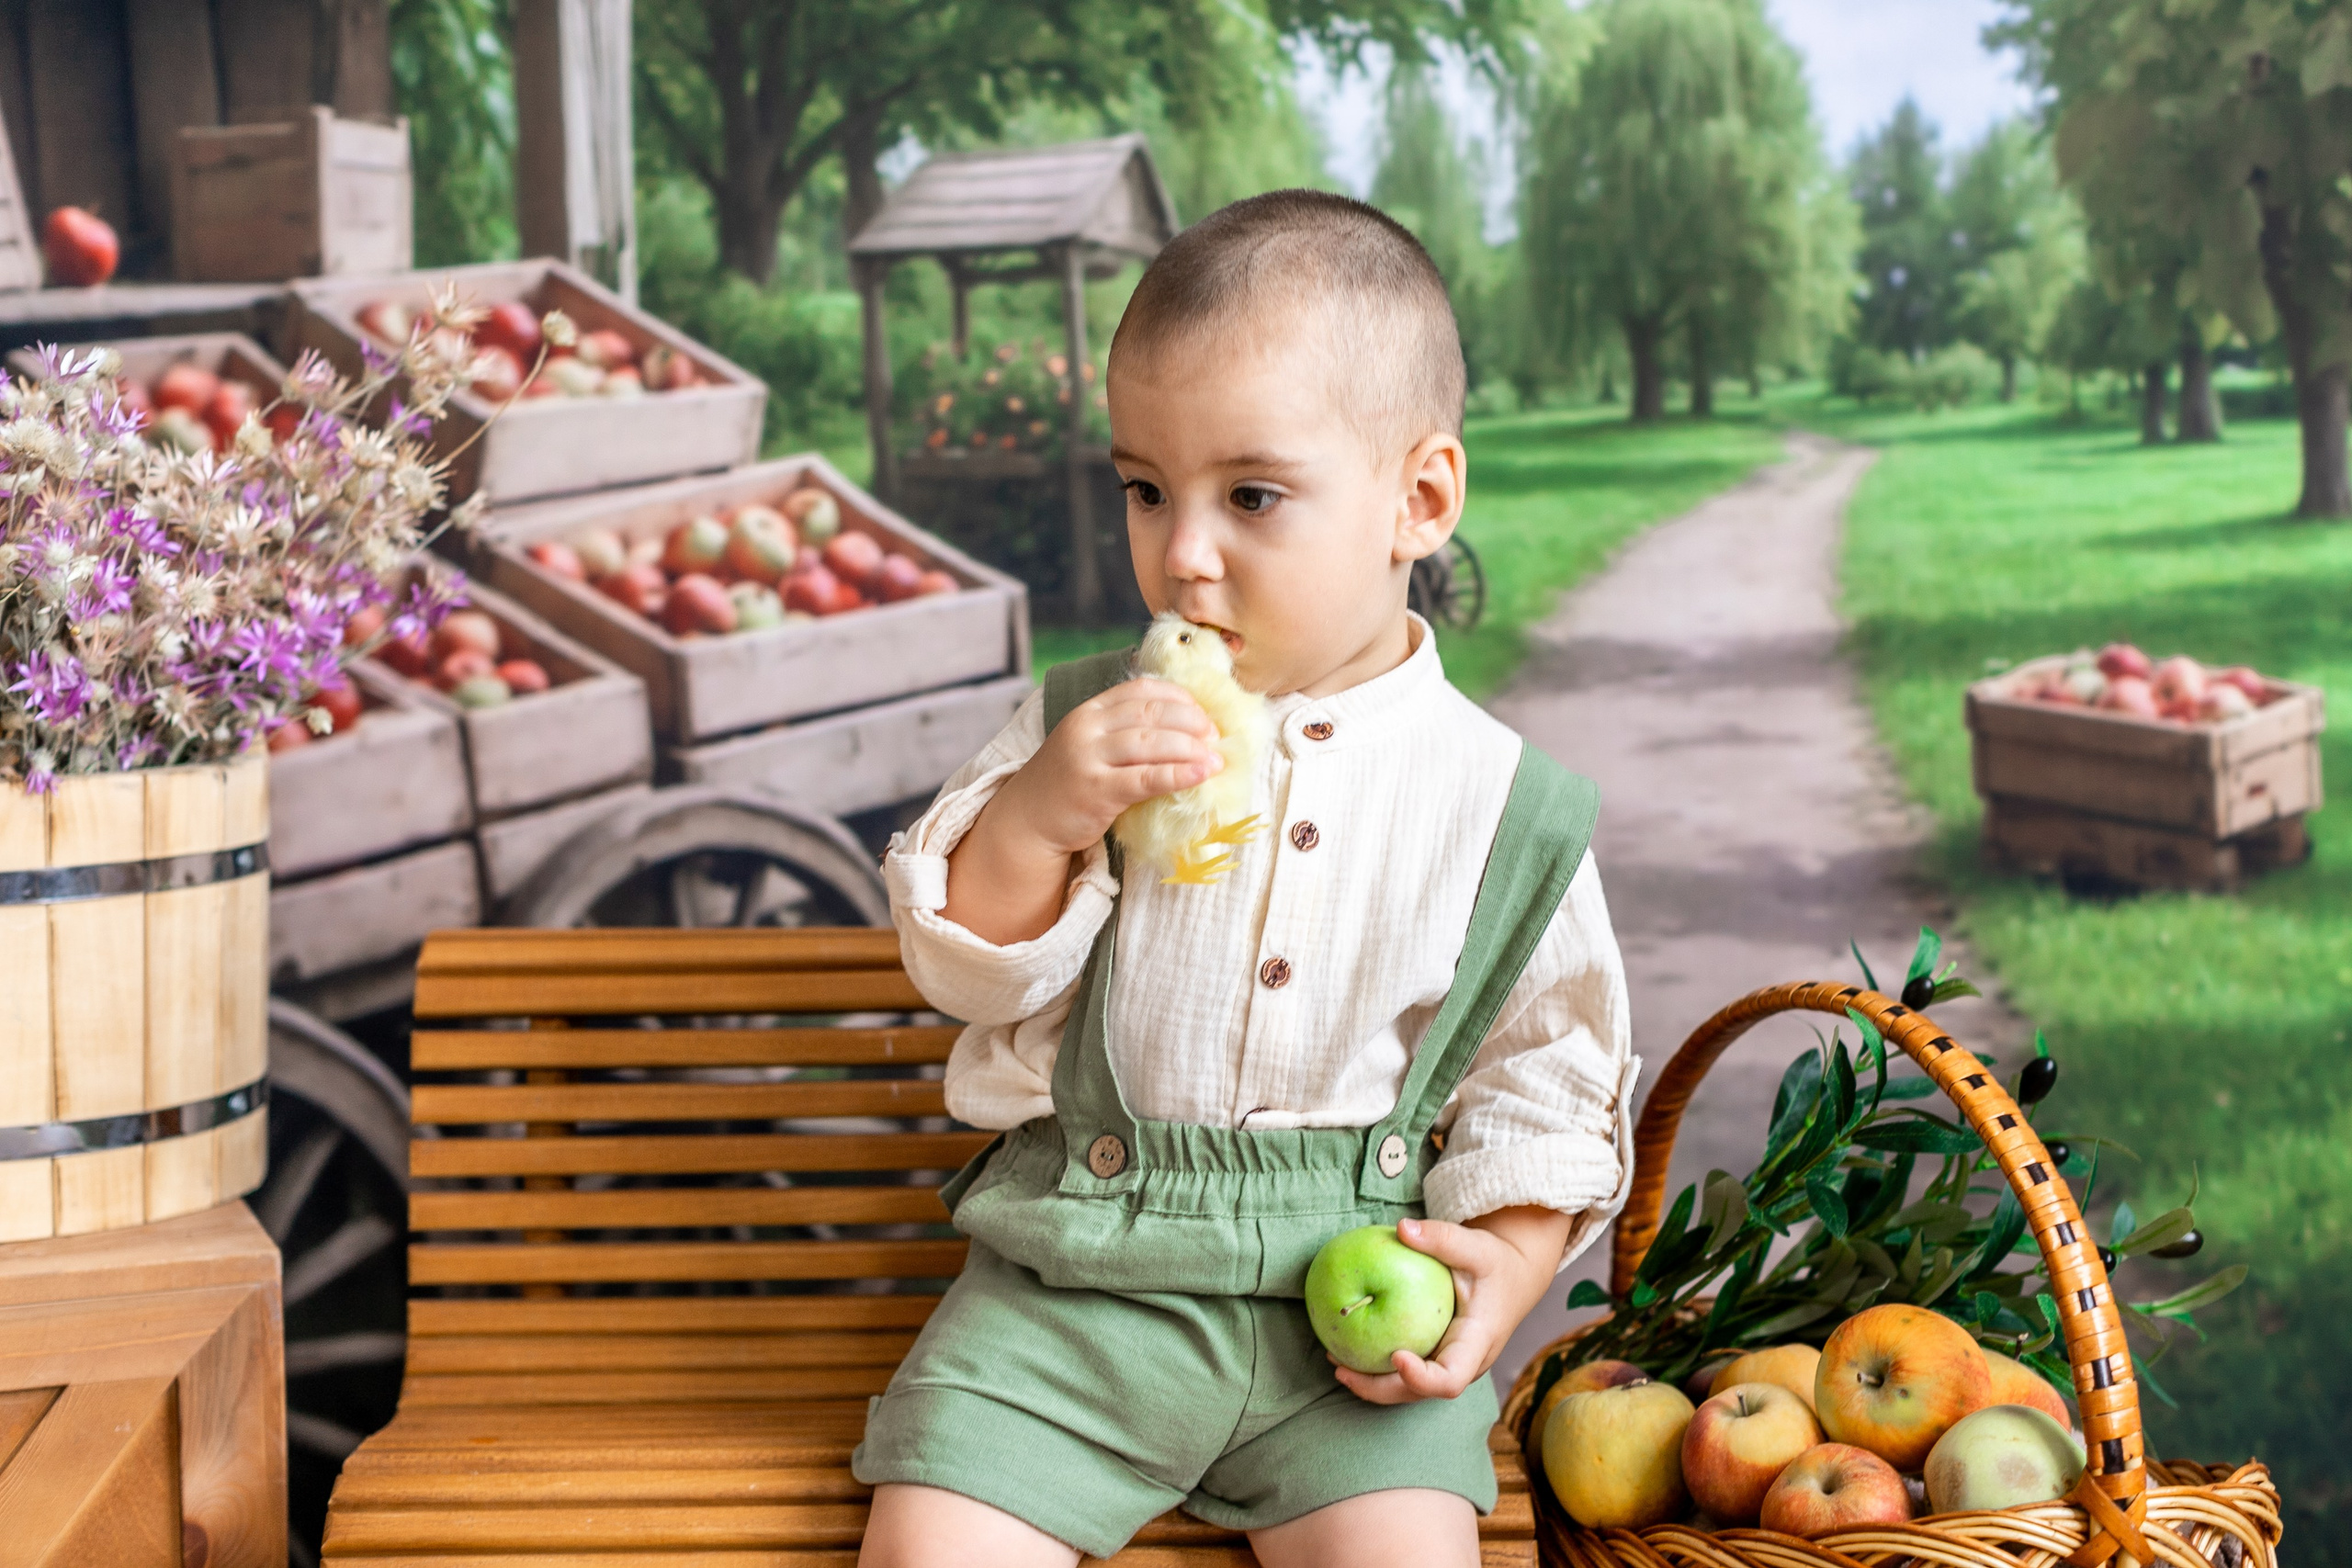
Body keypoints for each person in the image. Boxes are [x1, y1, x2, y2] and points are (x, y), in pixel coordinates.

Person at [853, 189, 1638, 1568]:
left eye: (1251, 496)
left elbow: (1546, 1071)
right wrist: (1040, 820)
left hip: (1344, 1330)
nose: (1184, 553)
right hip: (1071, 1298)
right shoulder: (1079, 729)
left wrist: (1503, 1268)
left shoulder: (1498, 802)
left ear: (1421, 499)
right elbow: (961, 964)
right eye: (1147, 489)